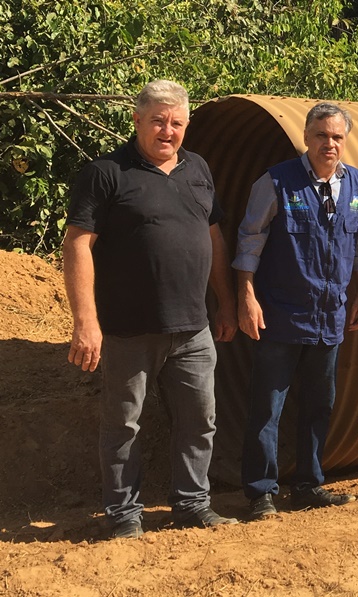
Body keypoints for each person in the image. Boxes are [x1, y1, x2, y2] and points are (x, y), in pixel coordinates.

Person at [63, 79, 239, 539]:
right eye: (158, 120)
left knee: (199, 420)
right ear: (138, 120)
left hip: (193, 328)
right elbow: (78, 243)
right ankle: (124, 516)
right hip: (127, 329)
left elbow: (214, 238)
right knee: (123, 424)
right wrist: (86, 322)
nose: (168, 130)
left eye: (177, 122)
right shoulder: (106, 172)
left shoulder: (197, 168)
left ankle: (192, 505)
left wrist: (224, 302)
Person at [233, 103, 358, 519]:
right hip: (280, 315)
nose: (329, 144)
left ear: (345, 141)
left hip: (330, 317)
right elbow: (249, 241)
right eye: (321, 136)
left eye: (337, 137)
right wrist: (246, 296)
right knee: (267, 406)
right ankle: (260, 492)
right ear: (306, 137)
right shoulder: (276, 181)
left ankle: (308, 485)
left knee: (318, 404)